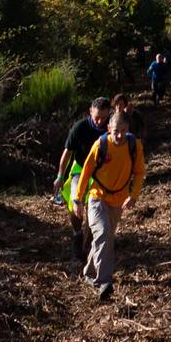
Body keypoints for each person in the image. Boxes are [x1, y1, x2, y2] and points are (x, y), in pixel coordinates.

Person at [70, 107, 145, 301]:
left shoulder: (134, 146)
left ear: (127, 128)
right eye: (115, 130)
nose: (119, 135)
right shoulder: (100, 145)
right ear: (108, 128)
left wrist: (134, 196)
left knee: (105, 238)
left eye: (123, 130)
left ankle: (89, 272)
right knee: (103, 233)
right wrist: (78, 199)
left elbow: (139, 173)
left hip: (118, 201)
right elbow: (85, 172)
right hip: (97, 197)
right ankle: (104, 282)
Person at [56, 98, 111, 261]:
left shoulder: (111, 128)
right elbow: (67, 153)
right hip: (80, 169)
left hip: (101, 172)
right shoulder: (80, 127)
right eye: (97, 117)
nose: (100, 121)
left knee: (95, 208)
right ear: (90, 112)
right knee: (76, 203)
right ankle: (77, 233)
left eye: (104, 117)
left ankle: (88, 243)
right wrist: (60, 176)